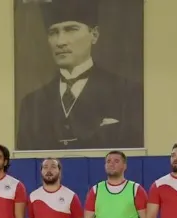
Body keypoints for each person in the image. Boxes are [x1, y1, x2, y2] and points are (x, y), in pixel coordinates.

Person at [16, 0, 144, 151]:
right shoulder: (31, 105)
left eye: (71, 29)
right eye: (53, 32)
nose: (60, 42)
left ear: (94, 35)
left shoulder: (127, 93)